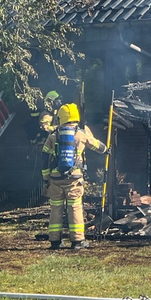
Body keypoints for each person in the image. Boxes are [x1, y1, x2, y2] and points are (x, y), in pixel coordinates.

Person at [42, 103, 108, 250]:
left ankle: (54, 241)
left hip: (55, 179)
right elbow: (96, 145)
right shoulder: (80, 134)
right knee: (75, 208)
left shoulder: (53, 135)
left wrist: (46, 178)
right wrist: (106, 150)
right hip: (74, 179)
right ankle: (77, 241)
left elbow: (44, 157)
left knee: (56, 209)